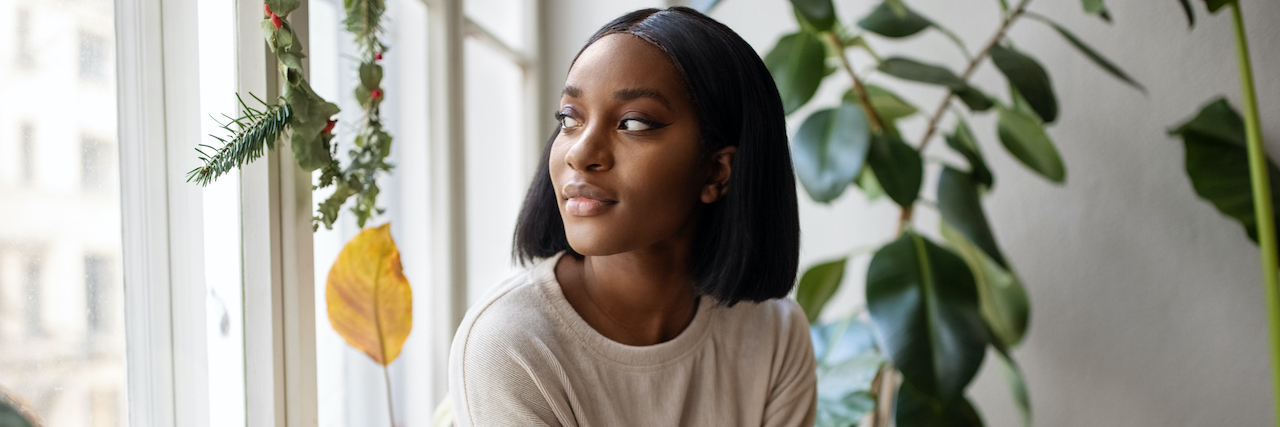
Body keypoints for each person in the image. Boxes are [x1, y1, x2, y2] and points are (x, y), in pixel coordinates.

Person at [448, 7, 815, 426]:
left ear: (716, 171)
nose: (580, 153)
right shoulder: (510, 345)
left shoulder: (775, 334)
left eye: (634, 123)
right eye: (570, 119)